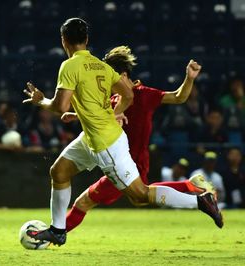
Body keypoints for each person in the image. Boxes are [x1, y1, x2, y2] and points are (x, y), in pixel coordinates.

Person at [22, 18, 222, 246]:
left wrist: (41, 101)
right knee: (58, 172)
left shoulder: (69, 66)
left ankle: (200, 201)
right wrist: (114, 113)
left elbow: (60, 106)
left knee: (140, 195)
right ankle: (58, 230)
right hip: (90, 137)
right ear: (86, 40)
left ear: (63, 40)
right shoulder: (101, 66)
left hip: (106, 144)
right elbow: (127, 94)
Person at [64, 46, 216, 233]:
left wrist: (189, 78)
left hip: (130, 162)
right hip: (126, 160)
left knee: (84, 201)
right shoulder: (113, 99)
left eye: (111, 76)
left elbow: (178, 97)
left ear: (124, 75)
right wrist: (76, 115)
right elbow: (100, 115)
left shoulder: (144, 94)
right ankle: (190, 186)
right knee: (141, 197)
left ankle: (56, 234)